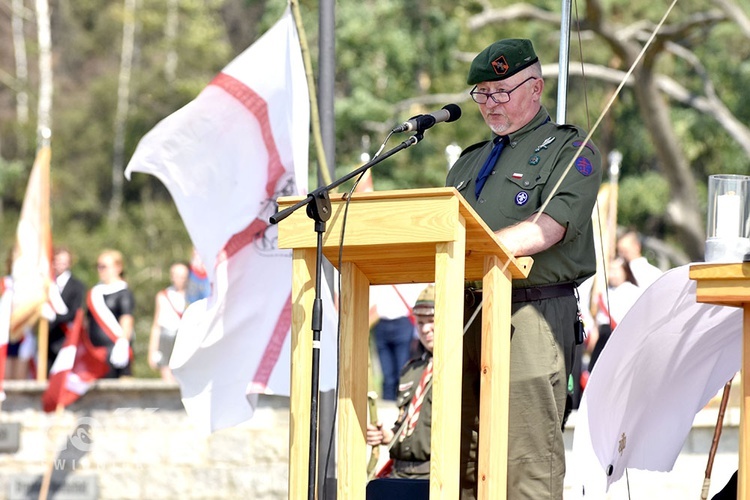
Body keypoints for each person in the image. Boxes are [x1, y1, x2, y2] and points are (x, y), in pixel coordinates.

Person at [445, 39, 603, 498]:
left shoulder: (569, 149)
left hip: (529, 316)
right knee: (461, 463)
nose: (489, 104)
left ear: (535, 88)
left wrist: (472, 251)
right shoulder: (467, 161)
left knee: (524, 466)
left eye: (501, 92)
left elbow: (548, 228)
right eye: (481, 94)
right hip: (465, 313)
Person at [366, 284, 435, 479]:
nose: (425, 329)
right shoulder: (411, 370)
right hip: (400, 472)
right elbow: (407, 420)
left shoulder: (461, 368)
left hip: (433, 475)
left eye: (432, 321)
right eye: (420, 322)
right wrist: (388, 435)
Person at [369, 283, 424, 401]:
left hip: (402, 323)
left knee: (402, 372)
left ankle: (403, 405)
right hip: (381, 323)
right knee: (387, 375)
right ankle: (388, 406)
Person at [85, 249, 135, 378]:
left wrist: (123, 342)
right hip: (94, 352)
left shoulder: (123, 292)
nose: (100, 270)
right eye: (99, 266)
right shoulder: (95, 292)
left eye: (104, 266)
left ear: (118, 267)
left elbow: (127, 319)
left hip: (114, 350)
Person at [47, 247, 86, 371]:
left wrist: (55, 317)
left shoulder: (77, 285)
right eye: (57, 260)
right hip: (49, 338)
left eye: (63, 261)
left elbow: (75, 312)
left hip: (66, 337)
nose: (59, 264)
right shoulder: (48, 284)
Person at [148, 262, 189, 381]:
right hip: (167, 338)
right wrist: (152, 350)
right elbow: (156, 326)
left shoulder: (194, 296)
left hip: (185, 339)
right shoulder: (163, 295)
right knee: (167, 376)